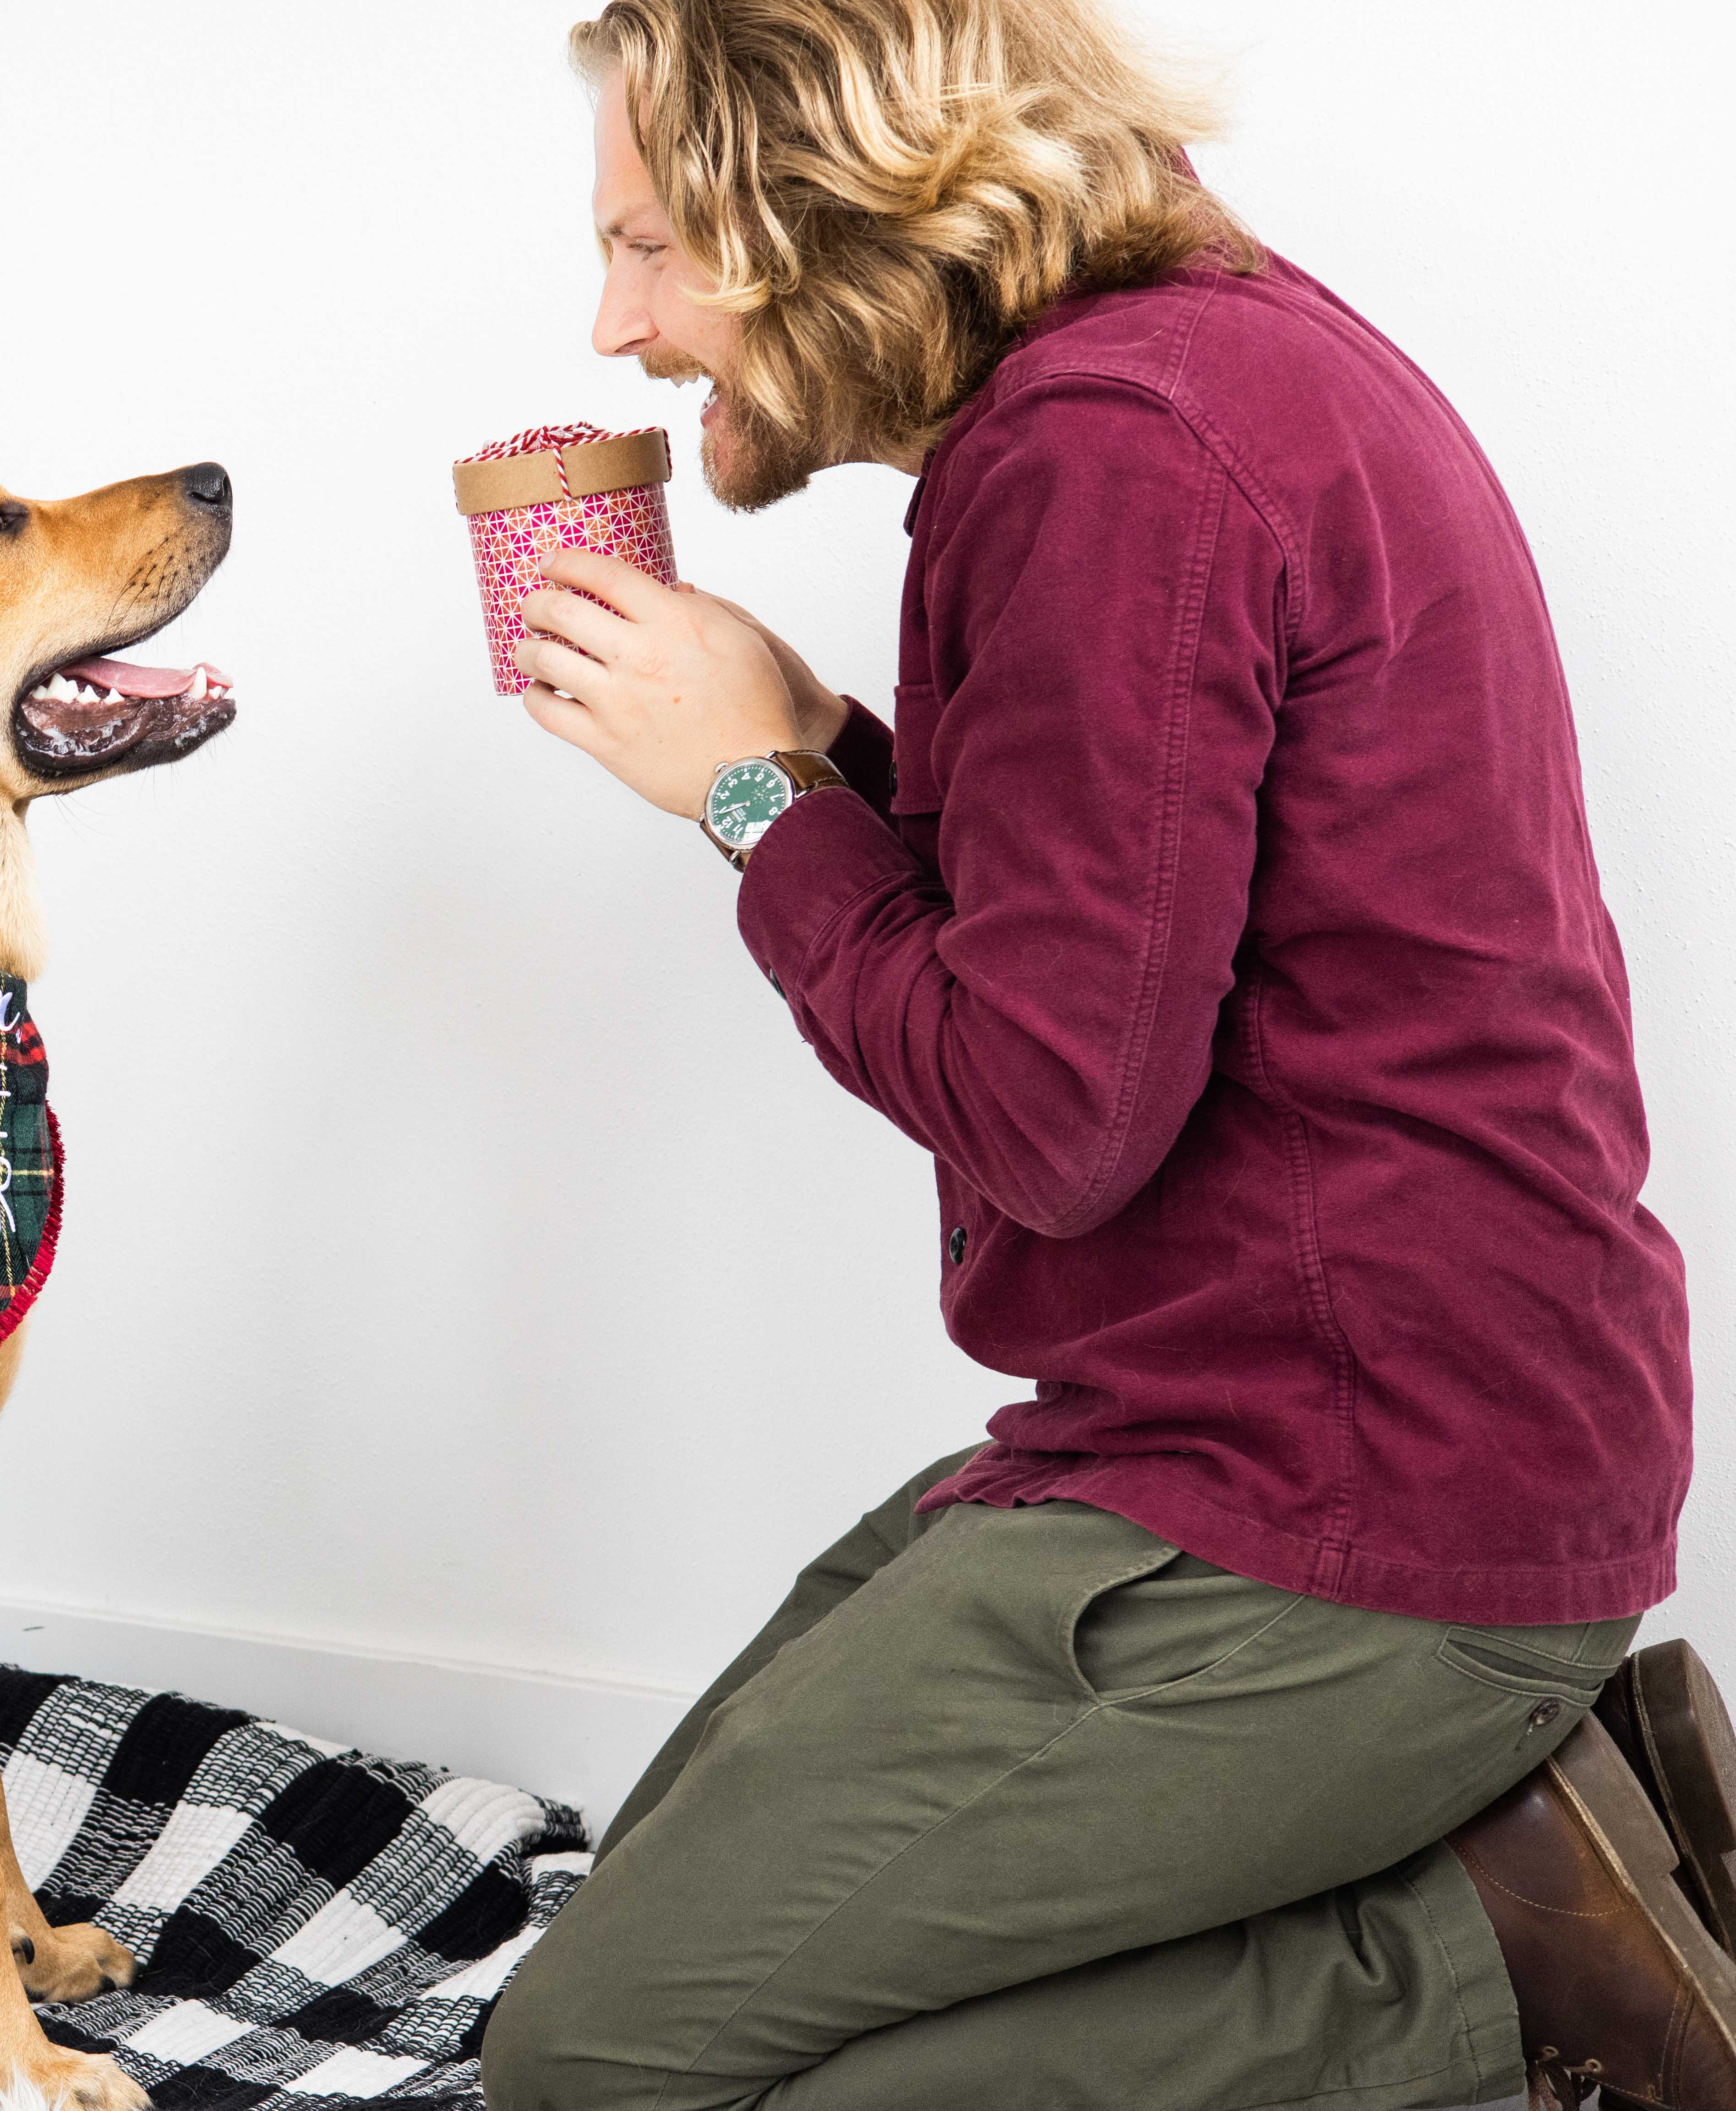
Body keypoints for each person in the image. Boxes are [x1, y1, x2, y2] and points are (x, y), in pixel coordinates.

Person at [475, 5, 1725, 2107]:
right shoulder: (1188, 367)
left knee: (599, 2075)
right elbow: (1126, 921)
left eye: (653, 247)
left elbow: (1048, 1114)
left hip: (1344, 1509)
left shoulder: (1102, 448)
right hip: (1326, 1439)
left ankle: (1484, 1970)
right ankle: (1546, 1825)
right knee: (651, 1937)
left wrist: (754, 809)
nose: (615, 327)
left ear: (827, 199)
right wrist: (801, 750)